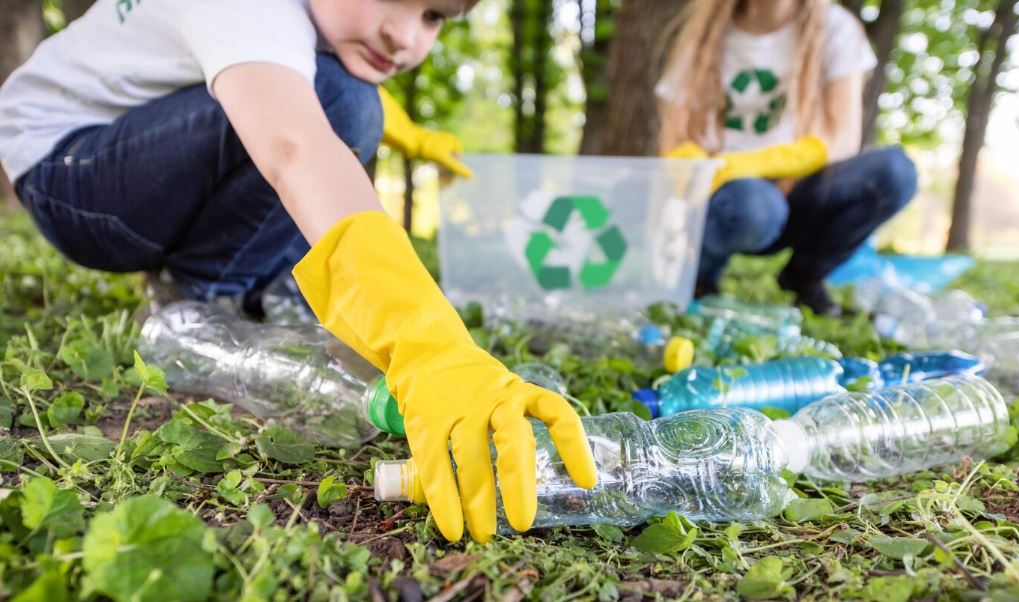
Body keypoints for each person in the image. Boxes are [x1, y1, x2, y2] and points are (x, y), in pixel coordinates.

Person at [0, 0, 597, 544]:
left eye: (434, 17)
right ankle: (204, 293)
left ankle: (242, 276)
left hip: (120, 159)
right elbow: (293, 142)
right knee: (342, 102)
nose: (405, 35)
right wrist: (426, 342)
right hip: (69, 175)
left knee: (342, 97)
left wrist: (407, 134)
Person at [657, 0, 919, 315]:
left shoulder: (835, 27)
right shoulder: (706, 32)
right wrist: (699, 166)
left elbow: (842, 139)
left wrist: (749, 164)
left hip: (801, 190)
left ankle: (803, 277)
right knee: (754, 205)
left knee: (894, 172)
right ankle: (699, 279)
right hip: (729, 199)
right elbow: (675, 137)